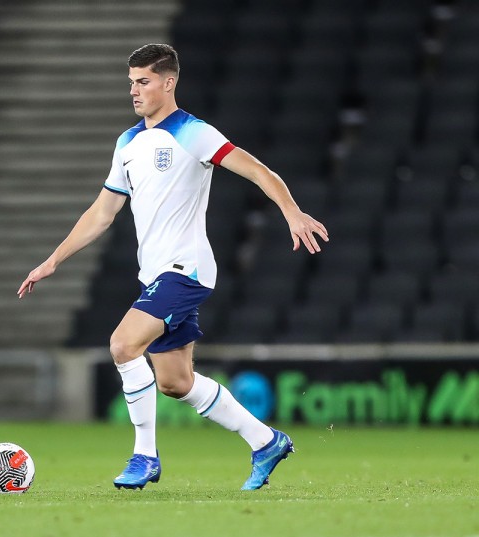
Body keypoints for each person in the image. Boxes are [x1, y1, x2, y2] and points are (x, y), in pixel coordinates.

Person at [18, 44, 329, 491]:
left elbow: (259, 170)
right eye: (130, 82)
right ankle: (266, 441)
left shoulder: (193, 133)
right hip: (155, 274)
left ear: (169, 82)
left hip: (186, 269)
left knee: (123, 345)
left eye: (143, 81)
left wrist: (292, 212)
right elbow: (102, 214)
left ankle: (145, 456)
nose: (134, 91)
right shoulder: (127, 143)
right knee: (175, 382)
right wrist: (52, 260)